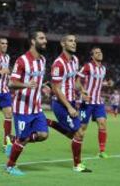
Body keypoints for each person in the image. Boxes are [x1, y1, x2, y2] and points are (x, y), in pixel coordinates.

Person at [5, 31, 49, 176]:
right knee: (23, 139)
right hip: (22, 108)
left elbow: (37, 81)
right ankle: (10, 166)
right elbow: (11, 83)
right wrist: (26, 85)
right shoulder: (22, 60)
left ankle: (15, 140)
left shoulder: (42, 60)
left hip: (36, 108)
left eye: (45, 38)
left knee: (43, 135)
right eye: (41, 38)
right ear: (32, 41)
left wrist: (44, 87)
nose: (45, 41)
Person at [46, 34, 92, 172]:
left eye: (75, 41)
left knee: (73, 135)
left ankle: (50, 123)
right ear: (63, 44)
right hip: (61, 104)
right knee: (79, 133)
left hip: (71, 101)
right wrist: (69, 107)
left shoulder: (75, 60)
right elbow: (56, 89)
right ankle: (77, 165)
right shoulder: (58, 64)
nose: (74, 43)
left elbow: (75, 82)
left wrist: (82, 90)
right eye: (70, 41)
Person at [77, 46, 111, 158]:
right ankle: (77, 148)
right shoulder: (87, 66)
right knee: (82, 127)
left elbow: (98, 83)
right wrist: (82, 92)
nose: (100, 54)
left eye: (100, 52)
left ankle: (102, 151)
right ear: (92, 56)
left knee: (102, 123)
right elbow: (76, 81)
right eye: (97, 53)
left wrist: (107, 84)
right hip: (86, 103)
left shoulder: (103, 69)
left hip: (98, 102)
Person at [0, 37, 12, 151]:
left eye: (6, 44)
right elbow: (3, 72)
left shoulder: (7, 57)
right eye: (2, 43)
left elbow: (6, 75)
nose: (4, 45)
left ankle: (6, 142)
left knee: (9, 115)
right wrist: (2, 71)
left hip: (4, 92)